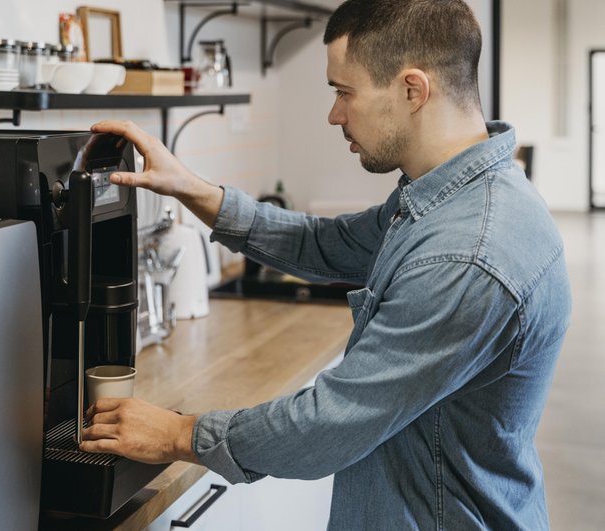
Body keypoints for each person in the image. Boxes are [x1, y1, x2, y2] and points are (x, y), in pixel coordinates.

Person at [79, 0, 572, 528]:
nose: (334, 114)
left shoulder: (468, 254)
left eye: (344, 92)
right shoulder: (451, 199)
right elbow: (326, 245)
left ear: (413, 90)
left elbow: (327, 427)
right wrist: (193, 189)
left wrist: (177, 434)